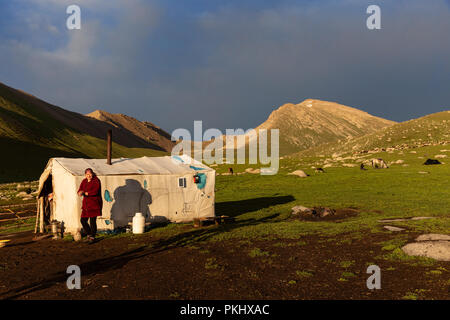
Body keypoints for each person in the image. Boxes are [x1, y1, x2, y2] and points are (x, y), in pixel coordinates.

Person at [77, 168, 102, 243]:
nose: (89, 175)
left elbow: (95, 191)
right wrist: (79, 192)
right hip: (86, 204)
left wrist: (87, 193)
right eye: (87, 174)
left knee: (92, 221)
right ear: (85, 175)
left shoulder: (96, 180)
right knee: (83, 220)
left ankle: (92, 237)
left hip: (94, 203)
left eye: (90, 174)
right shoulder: (84, 181)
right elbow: (80, 189)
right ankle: (89, 234)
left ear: (92, 173)